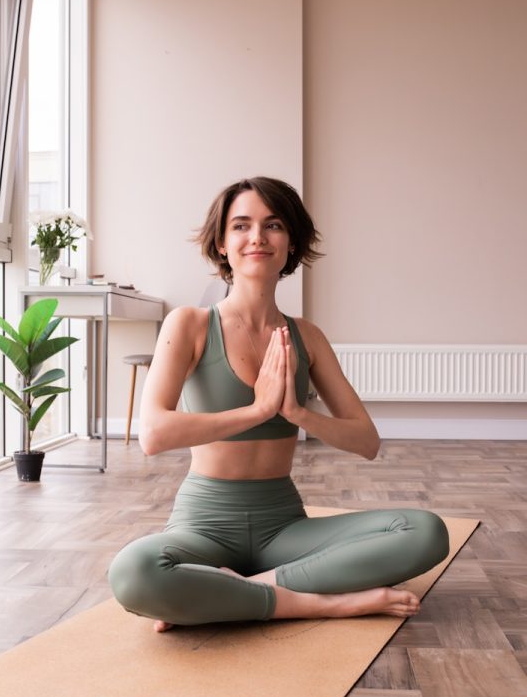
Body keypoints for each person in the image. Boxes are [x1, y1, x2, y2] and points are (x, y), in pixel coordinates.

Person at [108, 177, 449, 631]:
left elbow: (366, 441)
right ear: (221, 244)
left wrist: (297, 414)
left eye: (273, 226)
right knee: (134, 572)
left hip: (283, 528)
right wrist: (257, 411)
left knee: (426, 531)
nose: (257, 238)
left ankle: (229, 592)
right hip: (203, 527)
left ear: (291, 243)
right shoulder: (189, 324)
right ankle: (318, 603)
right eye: (241, 226)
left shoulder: (308, 336)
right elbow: (152, 434)